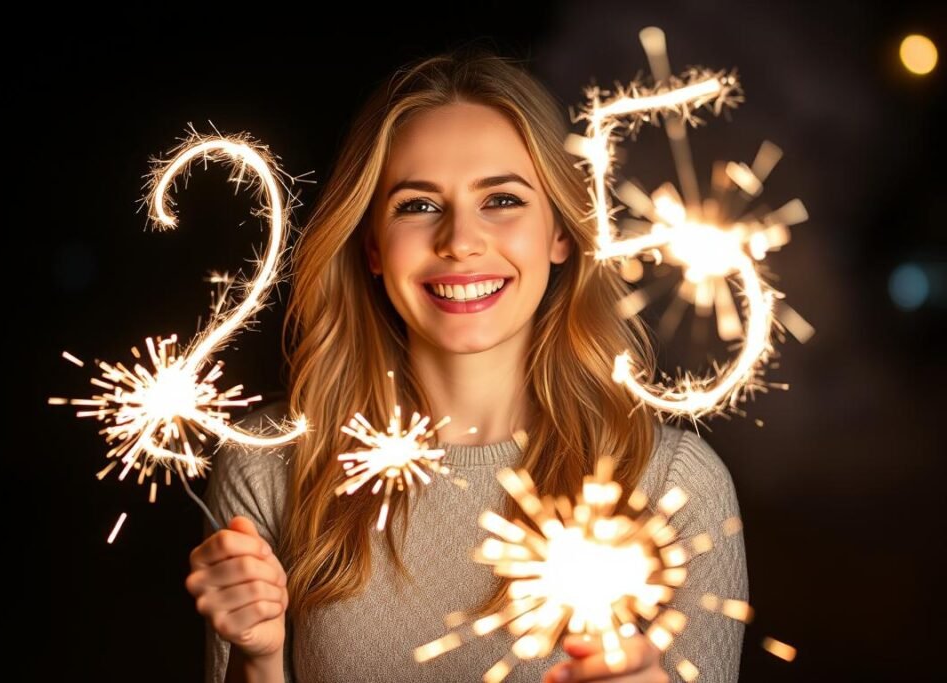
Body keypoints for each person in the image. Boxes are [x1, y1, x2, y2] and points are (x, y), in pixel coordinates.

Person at [184, 49, 747, 683]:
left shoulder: (674, 483)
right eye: (418, 206)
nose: (459, 240)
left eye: (502, 199)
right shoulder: (271, 466)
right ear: (372, 246)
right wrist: (257, 661)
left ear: (561, 232)